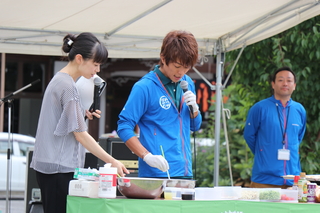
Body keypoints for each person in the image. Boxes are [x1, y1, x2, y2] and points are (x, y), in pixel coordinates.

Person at [30, 32, 129, 213]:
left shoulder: (59, 80)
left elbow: (60, 120)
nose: (97, 70)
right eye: (95, 64)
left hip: (51, 168)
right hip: (59, 170)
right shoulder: (68, 86)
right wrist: (112, 160)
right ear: (79, 58)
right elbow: (80, 135)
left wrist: (81, 114)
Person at [117, 30, 202, 179]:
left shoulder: (187, 83)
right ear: (163, 58)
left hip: (185, 173)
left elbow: (195, 126)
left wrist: (195, 110)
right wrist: (146, 156)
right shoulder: (144, 87)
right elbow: (124, 126)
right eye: (177, 65)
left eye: (187, 67)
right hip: (156, 174)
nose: (181, 72)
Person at [243, 66, 306, 189]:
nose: (285, 83)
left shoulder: (299, 110)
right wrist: (264, 151)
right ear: (273, 84)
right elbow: (249, 136)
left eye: (289, 80)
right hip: (264, 180)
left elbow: (298, 137)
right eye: (280, 80)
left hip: (293, 180)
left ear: (294, 85)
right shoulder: (259, 108)